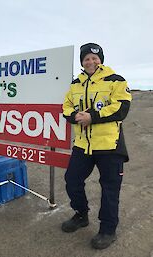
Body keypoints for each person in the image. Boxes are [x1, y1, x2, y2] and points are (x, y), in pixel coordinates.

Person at [62, 43, 132, 249]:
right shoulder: (75, 84)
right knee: (72, 180)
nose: (90, 61)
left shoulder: (115, 80)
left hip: (110, 145)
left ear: (100, 59)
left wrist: (92, 116)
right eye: (86, 58)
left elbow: (121, 107)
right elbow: (66, 105)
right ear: (82, 62)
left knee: (110, 189)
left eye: (94, 57)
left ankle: (108, 230)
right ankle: (81, 215)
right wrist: (75, 116)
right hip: (83, 145)